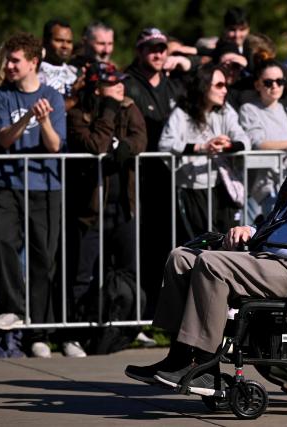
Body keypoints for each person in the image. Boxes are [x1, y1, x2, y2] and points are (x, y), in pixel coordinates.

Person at [125, 107, 287, 387]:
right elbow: (277, 222)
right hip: (267, 257)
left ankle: (205, 367)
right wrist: (251, 230)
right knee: (181, 257)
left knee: (212, 264)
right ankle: (179, 356)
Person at [0, 32, 66, 357]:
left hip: (45, 187)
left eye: (15, 60)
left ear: (34, 62)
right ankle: (14, 308)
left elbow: (55, 145)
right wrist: (29, 117)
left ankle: (39, 333)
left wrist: (44, 121)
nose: (9, 65)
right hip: (8, 183)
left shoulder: (53, 96)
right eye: (7, 59)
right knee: (1, 237)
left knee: (43, 260)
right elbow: (3, 140)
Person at [66, 61, 147, 355]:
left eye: (121, 81)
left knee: (127, 269)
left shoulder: (129, 107)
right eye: (112, 83)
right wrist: (109, 110)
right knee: (83, 273)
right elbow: (95, 145)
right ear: (96, 88)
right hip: (91, 207)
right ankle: (75, 332)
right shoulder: (78, 113)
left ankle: (124, 328)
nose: (120, 87)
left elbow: (141, 136)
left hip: (123, 205)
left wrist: (127, 146)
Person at [123, 27, 182, 318]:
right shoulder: (128, 82)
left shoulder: (173, 84)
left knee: (166, 245)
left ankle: (162, 311)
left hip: (168, 178)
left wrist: (187, 60)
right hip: (139, 176)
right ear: (139, 51)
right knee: (142, 246)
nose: (158, 53)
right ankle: (142, 310)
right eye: (151, 48)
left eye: (162, 47)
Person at [158, 64, 250, 241]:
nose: (225, 90)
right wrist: (201, 147)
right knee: (205, 241)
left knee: (228, 240)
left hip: (222, 185)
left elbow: (244, 140)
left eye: (225, 85)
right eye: (219, 85)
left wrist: (227, 145)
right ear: (203, 85)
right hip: (194, 187)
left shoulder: (225, 110)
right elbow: (166, 144)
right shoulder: (182, 112)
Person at [239, 59, 287, 222]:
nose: (275, 86)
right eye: (268, 82)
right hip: (265, 190)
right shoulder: (249, 110)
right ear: (258, 85)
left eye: (279, 81)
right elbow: (259, 144)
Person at [39, 19, 83, 112]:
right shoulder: (34, 72)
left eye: (69, 42)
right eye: (59, 40)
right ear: (45, 41)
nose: (65, 46)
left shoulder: (76, 73)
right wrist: (72, 100)